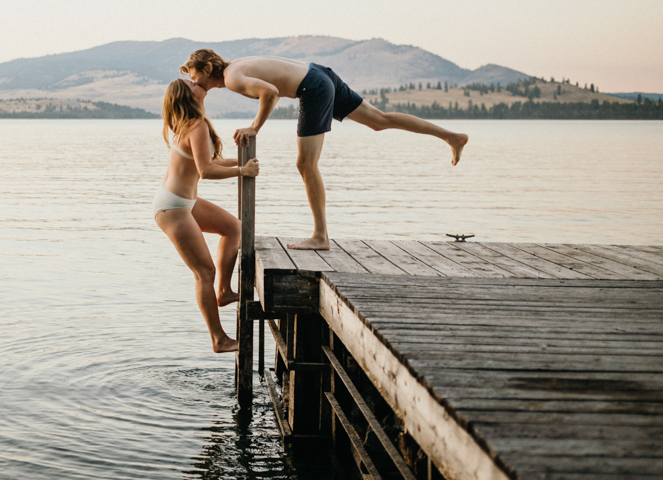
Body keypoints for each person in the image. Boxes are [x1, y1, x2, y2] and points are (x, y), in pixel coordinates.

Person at [181, 49, 468, 251]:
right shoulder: (236, 65)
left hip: (312, 87)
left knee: (305, 165)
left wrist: (255, 127)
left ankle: (320, 236)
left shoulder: (232, 78)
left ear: (207, 70)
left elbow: (270, 92)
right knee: (380, 120)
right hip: (320, 73)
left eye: (196, 78)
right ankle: (452, 136)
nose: (195, 84)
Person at [154, 77, 260, 353]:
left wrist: (243, 159)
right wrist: (242, 171)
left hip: (182, 201)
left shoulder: (192, 123)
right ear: (190, 95)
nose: (197, 81)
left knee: (234, 228)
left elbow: (209, 162)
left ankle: (224, 292)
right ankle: (218, 339)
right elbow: (207, 171)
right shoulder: (196, 126)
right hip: (173, 208)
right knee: (204, 272)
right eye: (193, 84)